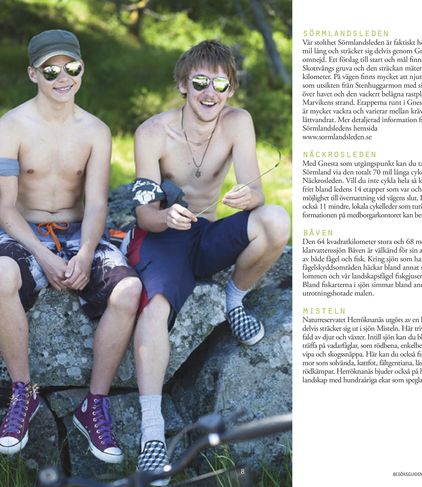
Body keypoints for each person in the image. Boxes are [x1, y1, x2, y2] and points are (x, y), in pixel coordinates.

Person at [127, 39, 289, 480]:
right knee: (155, 306)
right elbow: (142, 211)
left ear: (231, 88)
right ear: (183, 84)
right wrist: (164, 216)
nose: (209, 92)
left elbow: (255, 190)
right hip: (164, 236)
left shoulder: (238, 123)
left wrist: (248, 195)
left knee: (275, 220)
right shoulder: (152, 132)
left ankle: (234, 301)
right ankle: (153, 432)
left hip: (208, 232)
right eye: (200, 82)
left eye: (220, 83)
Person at [0, 29, 141, 464]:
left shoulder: (96, 130)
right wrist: (43, 255)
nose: (63, 77)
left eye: (72, 67)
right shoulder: (10, 126)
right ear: (33, 74)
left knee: (129, 290)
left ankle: (94, 404)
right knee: (1, 274)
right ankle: (23, 394)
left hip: (79, 233)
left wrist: (83, 254)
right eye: (51, 70)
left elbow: (98, 202)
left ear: (82, 69)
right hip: (24, 232)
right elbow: (4, 208)